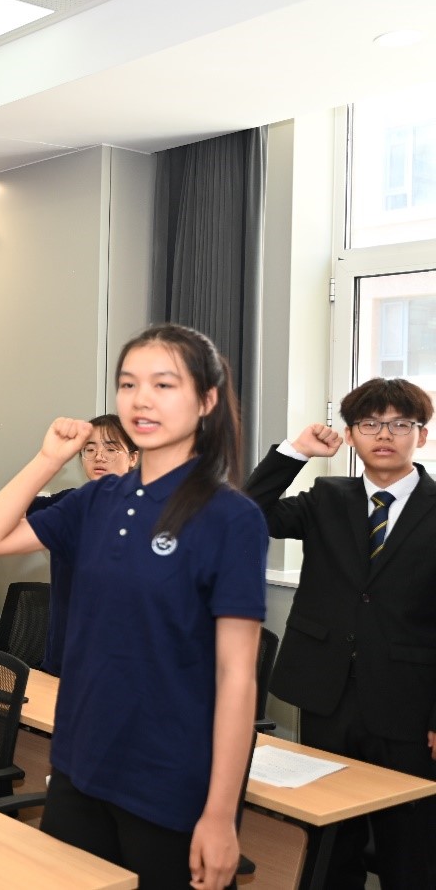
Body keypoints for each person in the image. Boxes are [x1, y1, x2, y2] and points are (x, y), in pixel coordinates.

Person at [0, 323, 265, 890]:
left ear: (206, 401)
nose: (141, 399)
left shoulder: (230, 517)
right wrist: (48, 458)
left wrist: (221, 815)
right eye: (128, 384)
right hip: (80, 763)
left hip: (168, 777)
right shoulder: (96, 499)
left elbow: (237, 676)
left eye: (163, 384)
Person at [244, 377, 436, 890]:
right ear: (349, 435)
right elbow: (245, 513)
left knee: (410, 843)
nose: (384, 435)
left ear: (422, 435)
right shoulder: (328, 497)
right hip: (326, 693)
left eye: (400, 424)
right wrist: (294, 452)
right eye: (369, 424)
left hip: (410, 702)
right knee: (332, 837)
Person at [27, 414, 139, 675]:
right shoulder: (69, 504)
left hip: (120, 662)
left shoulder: (149, 510)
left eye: (111, 448)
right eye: (90, 449)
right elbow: (2, 520)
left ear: (133, 457)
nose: (99, 456)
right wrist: (47, 460)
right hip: (64, 653)